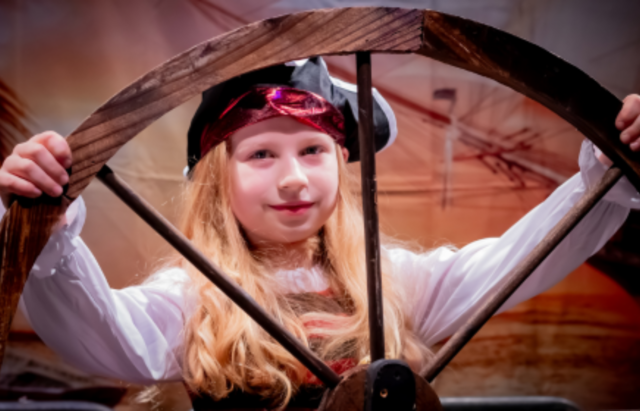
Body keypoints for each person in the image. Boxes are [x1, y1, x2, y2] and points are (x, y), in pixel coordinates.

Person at [1, 58, 639, 408]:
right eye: (260, 156)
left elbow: (518, 258)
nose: (292, 180)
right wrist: (46, 227)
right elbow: (99, 339)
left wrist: (609, 171)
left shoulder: (392, 281)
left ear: (341, 162)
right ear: (217, 179)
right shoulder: (196, 301)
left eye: (312, 150)